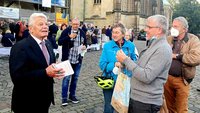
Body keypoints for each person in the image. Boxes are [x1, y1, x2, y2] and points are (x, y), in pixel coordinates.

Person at [9, 13, 65, 113]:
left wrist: (56, 69)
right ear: (31, 29)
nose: (45, 27)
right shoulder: (20, 47)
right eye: (40, 24)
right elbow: (17, 78)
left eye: (46, 24)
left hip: (45, 99)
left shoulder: (47, 43)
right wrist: (45, 72)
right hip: (27, 103)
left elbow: (47, 65)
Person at [116, 15, 172, 113]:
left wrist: (126, 60)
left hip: (146, 102)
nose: (145, 29)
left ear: (159, 30)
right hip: (138, 99)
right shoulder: (154, 45)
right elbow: (140, 67)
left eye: (149, 27)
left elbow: (146, 76)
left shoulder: (163, 49)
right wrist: (125, 63)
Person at [164, 16, 200, 113]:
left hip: (182, 80)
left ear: (184, 29)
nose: (173, 28)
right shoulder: (169, 39)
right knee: (169, 107)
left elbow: (196, 58)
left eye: (176, 26)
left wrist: (177, 56)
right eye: (172, 26)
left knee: (181, 109)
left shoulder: (193, 40)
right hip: (167, 78)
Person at [99, 23, 137, 113]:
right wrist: (114, 64)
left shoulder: (130, 46)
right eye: (113, 32)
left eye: (117, 32)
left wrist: (126, 62)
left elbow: (135, 62)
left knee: (124, 108)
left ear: (123, 34)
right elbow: (102, 64)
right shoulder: (107, 46)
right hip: (110, 81)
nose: (114, 35)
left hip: (125, 82)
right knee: (108, 107)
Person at [58, 18, 87, 106]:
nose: (75, 26)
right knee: (66, 79)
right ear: (71, 24)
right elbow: (59, 42)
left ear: (79, 24)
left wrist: (85, 47)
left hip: (78, 59)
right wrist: (69, 37)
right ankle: (64, 98)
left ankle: (72, 96)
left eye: (77, 24)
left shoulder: (82, 32)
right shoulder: (66, 31)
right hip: (68, 60)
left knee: (75, 79)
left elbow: (85, 43)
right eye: (74, 24)